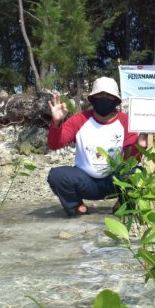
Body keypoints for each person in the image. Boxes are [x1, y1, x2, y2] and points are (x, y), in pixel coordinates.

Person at [47, 77, 143, 217]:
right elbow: (55, 144)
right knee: (57, 176)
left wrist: (141, 147)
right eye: (99, 96)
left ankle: (124, 203)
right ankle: (77, 206)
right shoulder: (79, 120)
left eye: (109, 96)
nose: (104, 99)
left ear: (116, 101)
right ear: (92, 99)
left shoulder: (125, 121)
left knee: (137, 172)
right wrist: (56, 123)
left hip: (115, 182)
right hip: (85, 182)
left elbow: (131, 160)